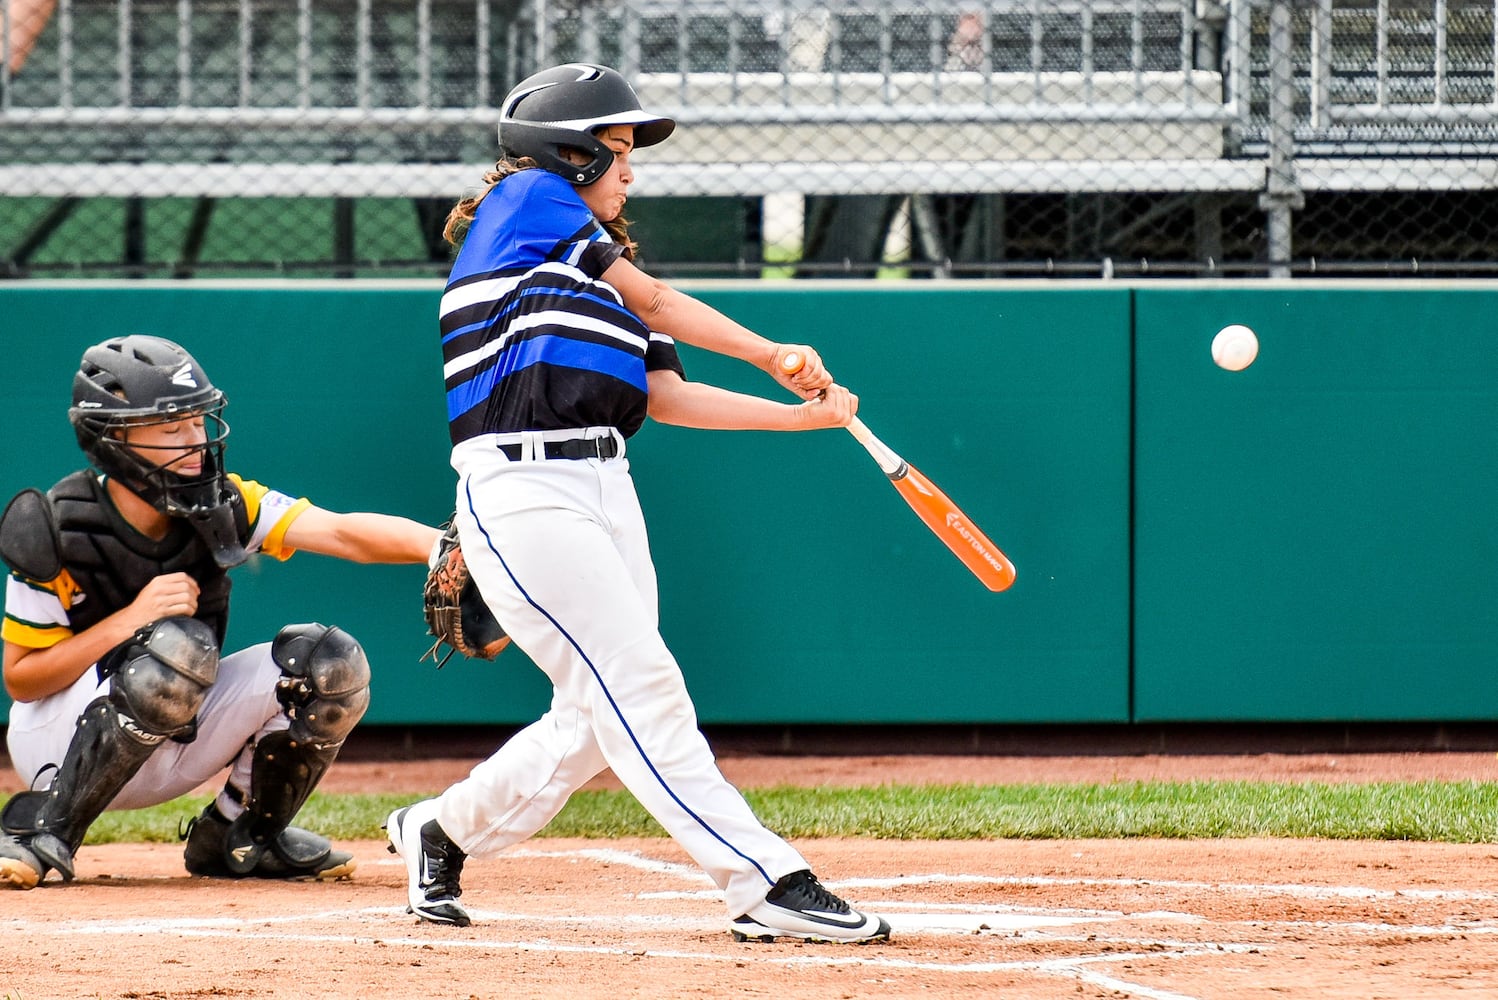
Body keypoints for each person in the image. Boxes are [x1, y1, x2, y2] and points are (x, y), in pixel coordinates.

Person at [382, 62, 890, 945]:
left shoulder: (596, 276)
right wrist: (771, 350)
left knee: (591, 718)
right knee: (644, 687)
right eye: (615, 151)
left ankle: (442, 829)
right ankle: (763, 879)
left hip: (606, 484)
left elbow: (667, 398)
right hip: (524, 485)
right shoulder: (531, 198)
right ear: (567, 154)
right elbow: (657, 299)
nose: (629, 170)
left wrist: (796, 418)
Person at [0, 335, 441, 890]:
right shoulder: (56, 528)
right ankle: (44, 831)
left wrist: (446, 548)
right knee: (177, 647)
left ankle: (240, 836)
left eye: (196, 421)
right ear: (114, 438)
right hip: (55, 750)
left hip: (173, 732)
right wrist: (129, 620)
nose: (195, 440)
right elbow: (21, 679)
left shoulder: (223, 501)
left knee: (330, 664)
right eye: (171, 428)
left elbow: (342, 531)